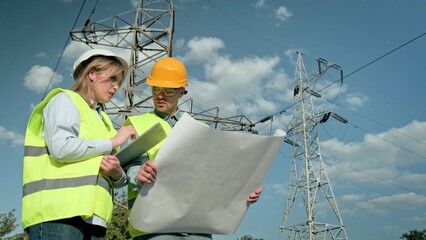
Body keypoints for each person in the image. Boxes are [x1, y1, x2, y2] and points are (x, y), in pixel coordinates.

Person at [123, 57, 263, 240]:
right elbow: (125, 167)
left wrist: (244, 189)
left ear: (182, 91)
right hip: (155, 225)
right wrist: (137, 174)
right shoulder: (137, 124)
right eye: (156, 88)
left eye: (168, 91)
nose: (160, 95)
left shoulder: (202, 130)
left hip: (196, 226)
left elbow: (217, 177)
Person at [22, 48, 138, 239]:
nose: (117, 87)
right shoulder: (65, 100)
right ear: (92, 74)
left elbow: (113, 177)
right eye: (113, 79)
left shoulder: (104, 121)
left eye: (119, 82)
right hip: (59, 214)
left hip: (95, 220)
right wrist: (113, 141)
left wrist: (117, 173)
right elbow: (61, 148)